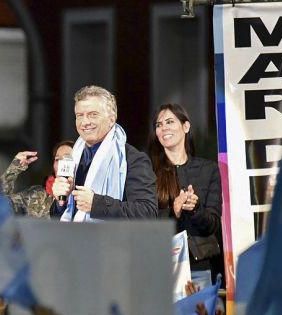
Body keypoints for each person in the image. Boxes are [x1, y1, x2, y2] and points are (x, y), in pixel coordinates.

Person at [49, 85, 157, 220]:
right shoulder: (74, 159)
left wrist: (97, 204)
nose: (85, 122)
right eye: (79, 116)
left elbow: (147, 212)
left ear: (112, 119)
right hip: (72, 239)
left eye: (93, 115)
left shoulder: (132, 159)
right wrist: (61, 202)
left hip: (113, 240)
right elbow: (59, 217)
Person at [148, 103, 222, 287]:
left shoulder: (208, 169)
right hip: (161, 267)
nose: (164, 128)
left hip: (199, 268)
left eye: (170, 122)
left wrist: (195, 209)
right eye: (159, 124)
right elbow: (143, 222)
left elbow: (212, 224)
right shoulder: (147, 171)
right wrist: (174, 212)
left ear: (186, 126)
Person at [0, 140, 74, 217]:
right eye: (57, 159)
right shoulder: (38, 197)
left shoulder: (84, 198)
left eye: (68, 159)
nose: (62, 164)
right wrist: (14, 168)